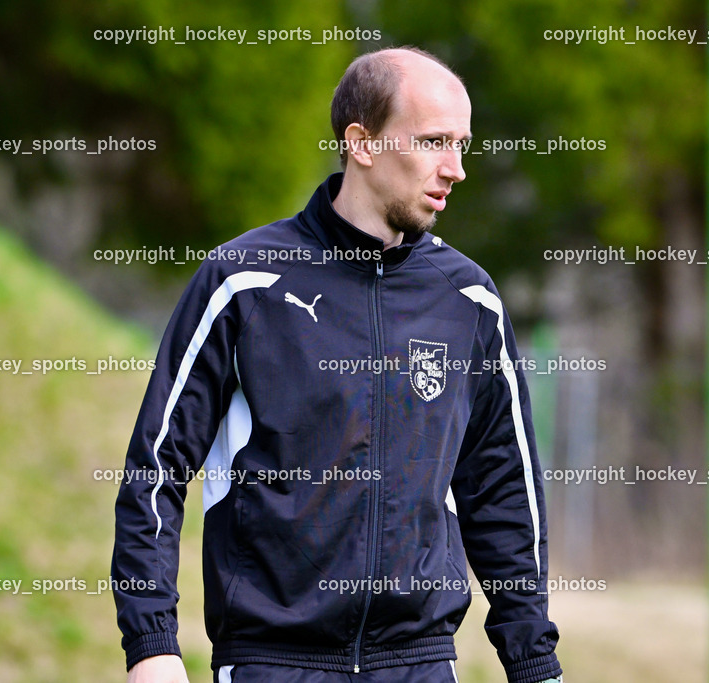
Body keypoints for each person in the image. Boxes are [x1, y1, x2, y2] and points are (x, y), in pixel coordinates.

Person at [112, 46, 563, 683]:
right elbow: (154, 470)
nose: (455, 168)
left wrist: (534, 662)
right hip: (272, 665)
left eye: (462, 144)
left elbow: (504, 493)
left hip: (419, 665)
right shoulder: (241, 283)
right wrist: (152, 642)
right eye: (434, 141)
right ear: (362, 142)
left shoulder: (469, 301)